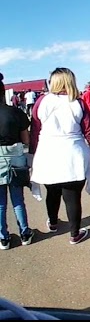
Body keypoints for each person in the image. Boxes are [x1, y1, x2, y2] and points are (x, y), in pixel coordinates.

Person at [29, 68, 90, 245]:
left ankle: (53, 223)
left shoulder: (42, 101)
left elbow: (34, 131)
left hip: (48, 153)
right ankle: (75, 234)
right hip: (73, 154)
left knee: (52, 191)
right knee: (72, 197)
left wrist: (31, 156)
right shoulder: (78, 103)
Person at [0, 74, 33, 250]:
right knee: (18, 198)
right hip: (15, 155)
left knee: (0, 202)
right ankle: (25, 233)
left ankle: (3, 238)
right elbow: (26, 139)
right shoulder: (16, 112)